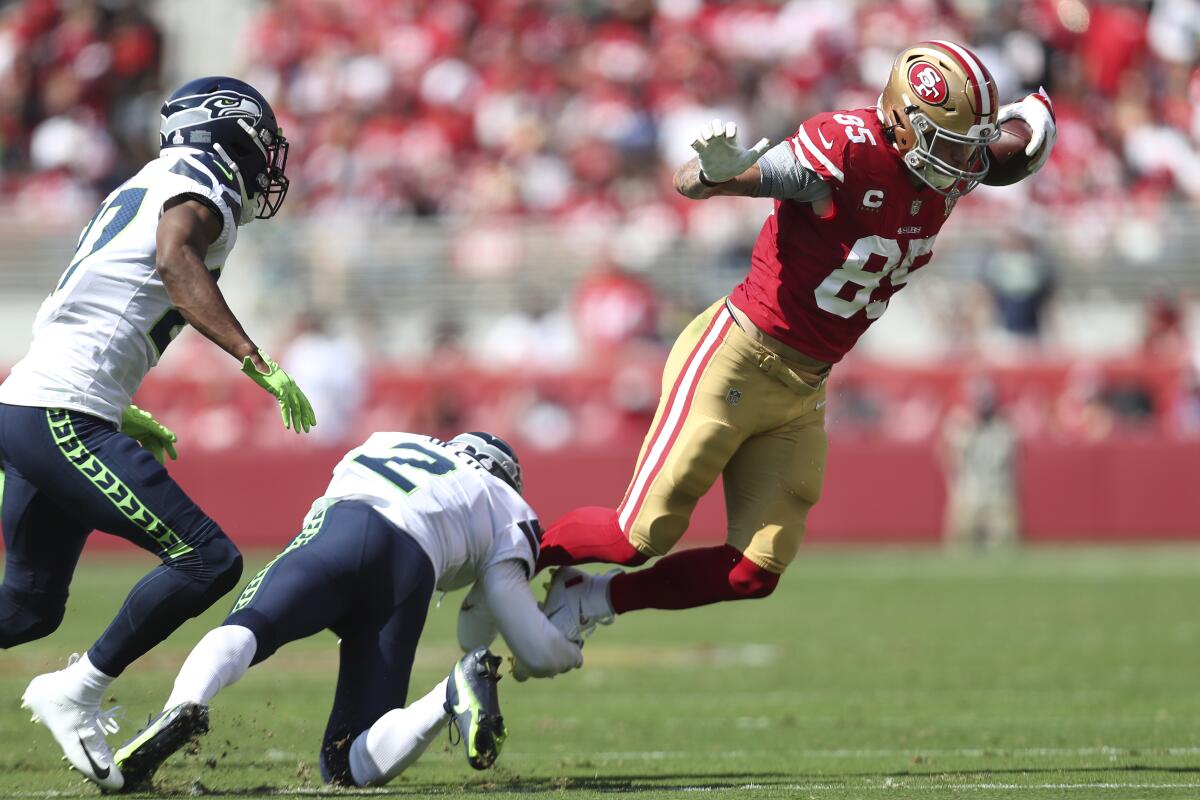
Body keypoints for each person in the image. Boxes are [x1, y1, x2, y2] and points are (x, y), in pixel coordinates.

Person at [535, 42, 1057, 628]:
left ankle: (591, 600)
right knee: (638, 535)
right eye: (951, 145)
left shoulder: (948, 158)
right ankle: (507, 554)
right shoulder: (849, 148)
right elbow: (710, 182)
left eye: (970, 146)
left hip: (805, 386)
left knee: (753, 571)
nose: (965, 164)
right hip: (737, 356)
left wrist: (1037, 108)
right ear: (903, 121)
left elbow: (1023, 142)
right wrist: (714, 174)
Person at [0, 76, 316, 791]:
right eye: (262, 140)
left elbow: (86, 293)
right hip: (59, 409)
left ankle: (74, 687)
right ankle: (76, 690)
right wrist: (253, 358)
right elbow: (174, 260)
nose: (269, 160)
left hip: (37, 401)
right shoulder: (199, 183)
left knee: (26, 608)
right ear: (226, 130)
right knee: (208, 559)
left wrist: (119, 405)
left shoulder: (148, 178)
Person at [112, 431, 582, 790]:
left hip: (347, 528)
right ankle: (448, 694)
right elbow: (527, 646)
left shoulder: (390, 440)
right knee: (344, 766)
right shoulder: (508, 505)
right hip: (410, 573)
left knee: (251, 626)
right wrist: (570, 650)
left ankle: (185, 705)